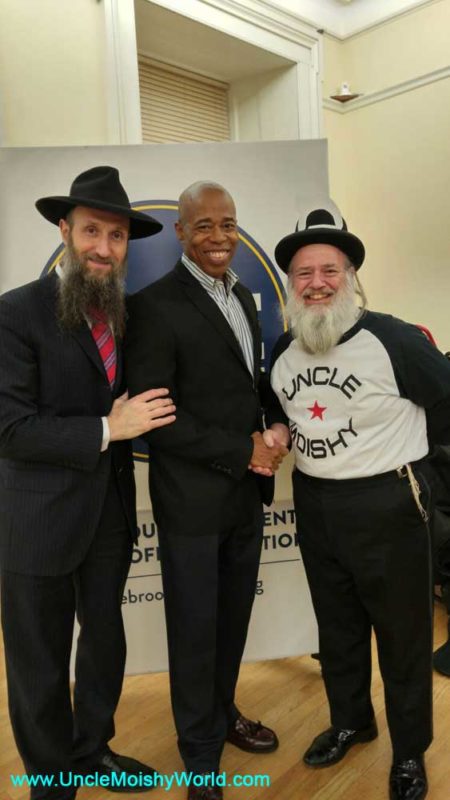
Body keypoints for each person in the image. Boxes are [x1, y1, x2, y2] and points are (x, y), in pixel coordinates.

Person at [0, 166, 176, 800]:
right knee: (38, 665)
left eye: (118, 235)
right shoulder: (15, 313)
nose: (105, 247)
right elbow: (11, 429)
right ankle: (53, 785)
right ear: (64, 231)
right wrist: (108, 427)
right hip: (38, 522)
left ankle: (92, 749)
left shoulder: (122, 315)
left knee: (104, 642)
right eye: (92, 231)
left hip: (109, 513)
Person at [267, 207, 450, 800]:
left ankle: (409, 752)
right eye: (303, 273)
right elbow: (275, 408)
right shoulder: (284, 347)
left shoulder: (394, 339)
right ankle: (351, 720)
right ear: (289, 284)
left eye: (329, 270)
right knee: (338, 630)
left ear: (351, 276)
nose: (316, 283)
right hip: (316, 504)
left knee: (402, 637)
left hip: (389, 504)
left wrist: (421, 468)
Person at [125, 181, 287, 800]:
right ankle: (200, 761)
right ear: (181, 232)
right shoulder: (155, 305)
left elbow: (250, 385)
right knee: (194, 632)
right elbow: (157, 415)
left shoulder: (244, 297)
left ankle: (221, 716)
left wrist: (271, 425)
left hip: (246, 498)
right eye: (205, 226)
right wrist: (241, 450)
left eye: (228, 225)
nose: (219, 238)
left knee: (230, 623)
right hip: (191, 503)